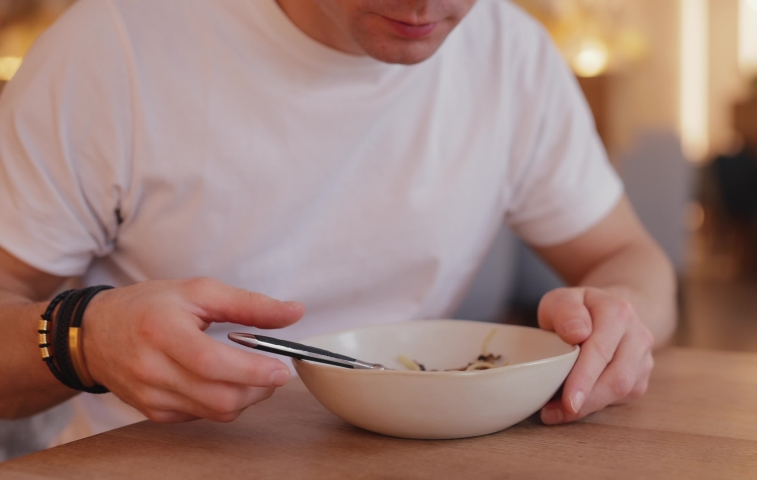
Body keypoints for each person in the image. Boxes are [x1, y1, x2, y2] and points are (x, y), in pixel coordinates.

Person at [0, 0, 676, 450]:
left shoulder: (511, 53)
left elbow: (627, 255)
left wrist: (621, 315)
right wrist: (81, 339)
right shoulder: (115, 45)